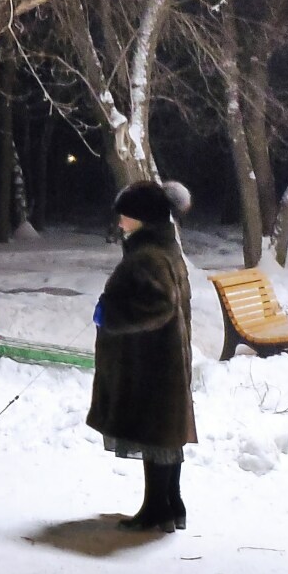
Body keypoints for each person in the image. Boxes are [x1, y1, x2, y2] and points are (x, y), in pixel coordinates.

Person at [88, 181, 196, 533]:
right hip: (166, 357)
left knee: (154, 435)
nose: (120, 220)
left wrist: (112, 315)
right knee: (165, 435)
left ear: (142, 217)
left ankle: (156, 509)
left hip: (150, 362)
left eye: (126, 214)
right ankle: (171, 505)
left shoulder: (148, 255)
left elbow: (159, 305)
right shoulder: (165, 248)